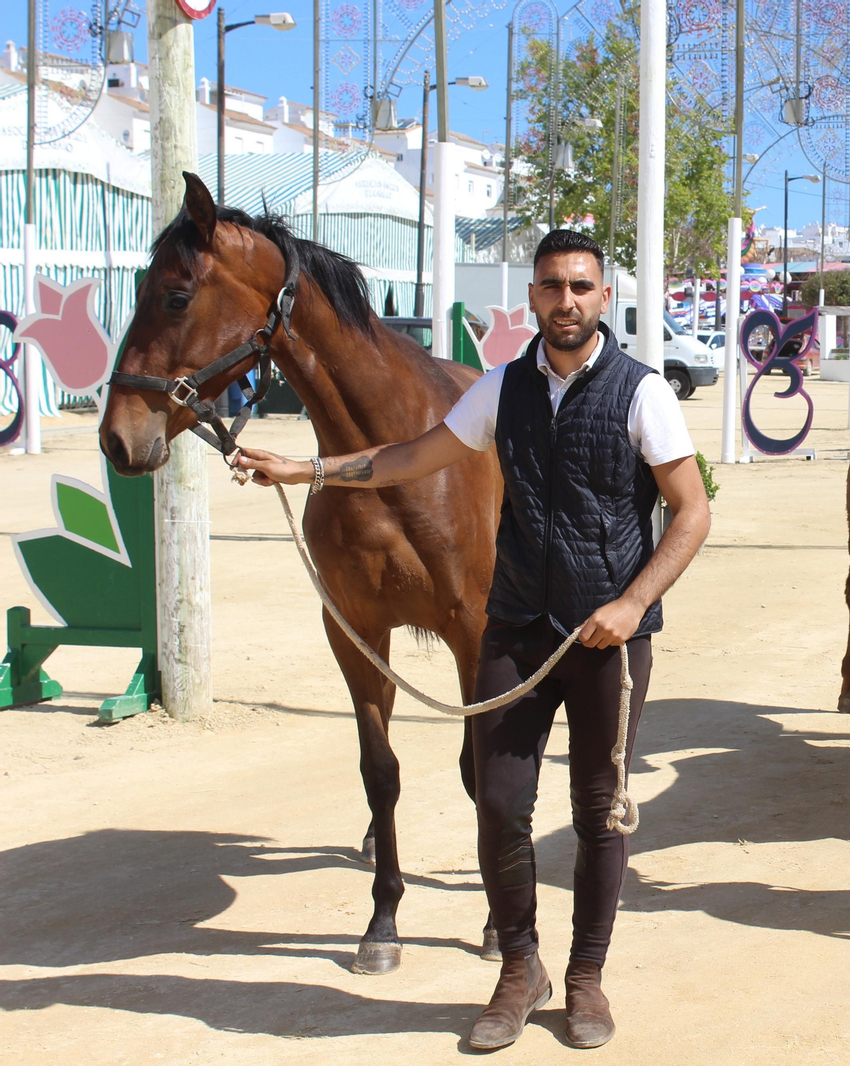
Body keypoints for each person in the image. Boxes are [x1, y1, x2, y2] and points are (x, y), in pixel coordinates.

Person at [234, 229, 711, 1050]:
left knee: (599, 815)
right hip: (518, 629)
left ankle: (587, 978)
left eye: (581, 287)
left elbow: (693, 511)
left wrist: (634, 605)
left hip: (605, 637)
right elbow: (408, 458)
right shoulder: (498, 392)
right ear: (533, 297)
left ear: (605, 298)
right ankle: (520, 970)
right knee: (498, 806)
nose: (566, 301)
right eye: (552, 287)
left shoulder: (644, 394)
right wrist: (304, 471)